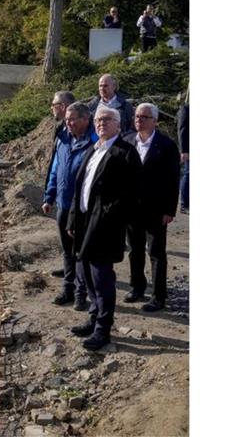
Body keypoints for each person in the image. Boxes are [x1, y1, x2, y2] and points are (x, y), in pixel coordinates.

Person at [66, 106, 141, 350]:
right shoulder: (93, 149)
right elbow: (81, 189)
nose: (101, 123)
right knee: (86, 274)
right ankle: (93, 317)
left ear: (119, 124)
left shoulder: (125, 153)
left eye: (107, 120)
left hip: (105, 226)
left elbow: (130, 195)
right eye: (98, 120)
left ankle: (103, 330)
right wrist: (73, 220)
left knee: (102, 279)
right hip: (85, 222)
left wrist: (106, 217)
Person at [122, 103, 180, 312]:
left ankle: (158, 296)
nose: (140, 120)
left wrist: (169, 210)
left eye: (145, 117)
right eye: (137, 116)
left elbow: (173, 180)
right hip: (132, 208)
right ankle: (137, 286)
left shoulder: (166, 145)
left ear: (155, 121)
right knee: (135, 249)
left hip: (156, 208)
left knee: (156, 252)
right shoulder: (127, 141)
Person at [42, 102, 97, 310]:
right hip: (63, 205)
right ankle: (68, 288)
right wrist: (49, 197)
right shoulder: (63, 139)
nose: (69, 123)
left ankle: (81, 294)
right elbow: (55, 170)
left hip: (82, 208)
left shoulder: (94, 142)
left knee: (81, 253)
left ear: (86, 119)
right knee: (67, 251)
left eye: (73, 120)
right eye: (67, 120)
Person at [44, 91, 76, 278]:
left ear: (63, 107)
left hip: (76, 199)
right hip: (62, 196)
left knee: (76, 240)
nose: (52, 108)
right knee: (65, 241)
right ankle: (69, 271)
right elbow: (56, 166)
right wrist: (49, 194)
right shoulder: (60, 130)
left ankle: (78, 283)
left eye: (54, 104)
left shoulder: (86, 135)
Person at [177, 95, 189, 213]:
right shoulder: (186, 109)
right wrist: (184, 150)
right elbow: (182, 130)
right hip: (189, 149)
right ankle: (184, 203)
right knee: (188, 173)